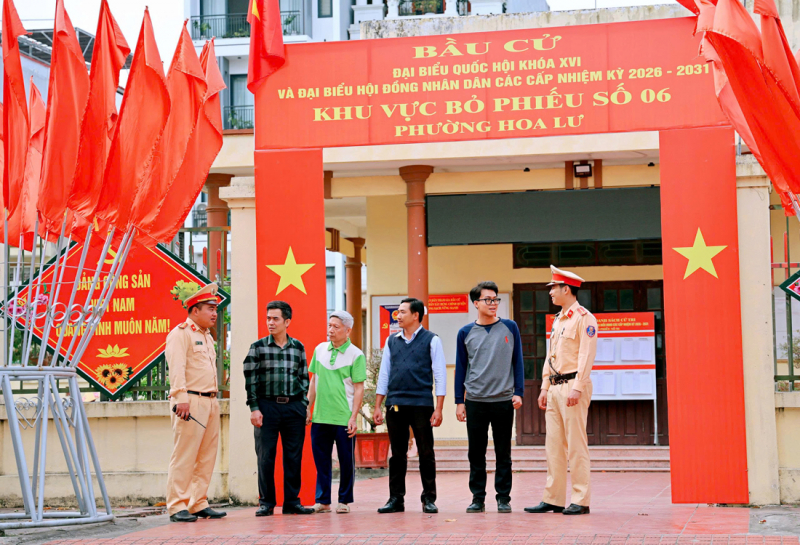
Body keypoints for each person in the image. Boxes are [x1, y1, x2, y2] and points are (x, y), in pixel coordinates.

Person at [525, 266, 597, 516]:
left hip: (572, 387)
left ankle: (580, 499)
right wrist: (544, 386)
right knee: (553, 445)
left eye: (553, 288)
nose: (551, 293)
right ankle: (553, 498)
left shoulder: (584, 318)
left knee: (576, 445)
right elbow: (551, 356)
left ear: (566, 289)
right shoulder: (558, 319)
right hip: (555, 388)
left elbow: (586, 356)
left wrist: (577, 387)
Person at [455, 281, 524, 514]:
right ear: (476, 303)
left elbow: (518, 361)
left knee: (503, 452)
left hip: (504, 400)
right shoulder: (465, 332)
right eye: (488, 300)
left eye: (495, 299)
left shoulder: (510, 327)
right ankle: (478, 498)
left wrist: (519, 392)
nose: (493, 303)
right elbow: (461, 368)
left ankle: (503, 498)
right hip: (475, 400)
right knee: (476, 452)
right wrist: (459, 401)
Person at [373, 298, 446, 514]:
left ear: (416, 315)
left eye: (402, 312)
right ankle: (396, 498)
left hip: (422, 403)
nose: (398, 315)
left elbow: (440, 374)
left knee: (426, 451)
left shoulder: (432, 340)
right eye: (397, 312)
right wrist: (378, 405)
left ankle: (429, 498)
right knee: (397, 454)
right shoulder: (391, 341)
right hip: (395, 403)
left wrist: (439, 408)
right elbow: (384, 373)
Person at [244, 300, 314, 516]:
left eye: (275, 318)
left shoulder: (298, 347)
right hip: (266, 407)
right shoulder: (257, 347)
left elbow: (304, 377)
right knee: (265, 456)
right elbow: (250, 380)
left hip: (293, 408)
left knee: (293, 456)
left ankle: (292, 502)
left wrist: (303, 404)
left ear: (287, 321)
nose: (270, 323)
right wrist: (254, 408)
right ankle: (266, 502)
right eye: (268, 318)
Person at [165, 283, 227, 523]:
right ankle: (176, 505)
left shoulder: (206, 336)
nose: (214, 313)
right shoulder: (180, 334)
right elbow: (177, 368)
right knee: (185, 455)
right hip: (189, 401)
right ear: (194, 310)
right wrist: (180, 397)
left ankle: (197, 502)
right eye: (210, 308)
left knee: (206, 455)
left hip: (210, 400)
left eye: (215, 309)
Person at [306, 311, 366, 514]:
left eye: (335, 327)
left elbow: (359, 388)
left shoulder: (356, 355)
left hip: (343, 417)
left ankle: (344, 500)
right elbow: (314, 380)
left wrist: (353, 417)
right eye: (329, 325)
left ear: (348, 330)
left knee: (346, 461)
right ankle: (322, 501)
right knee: (321, 461)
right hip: (320, 416)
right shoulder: (320, 349)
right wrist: (308, 406)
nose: (330, 330)